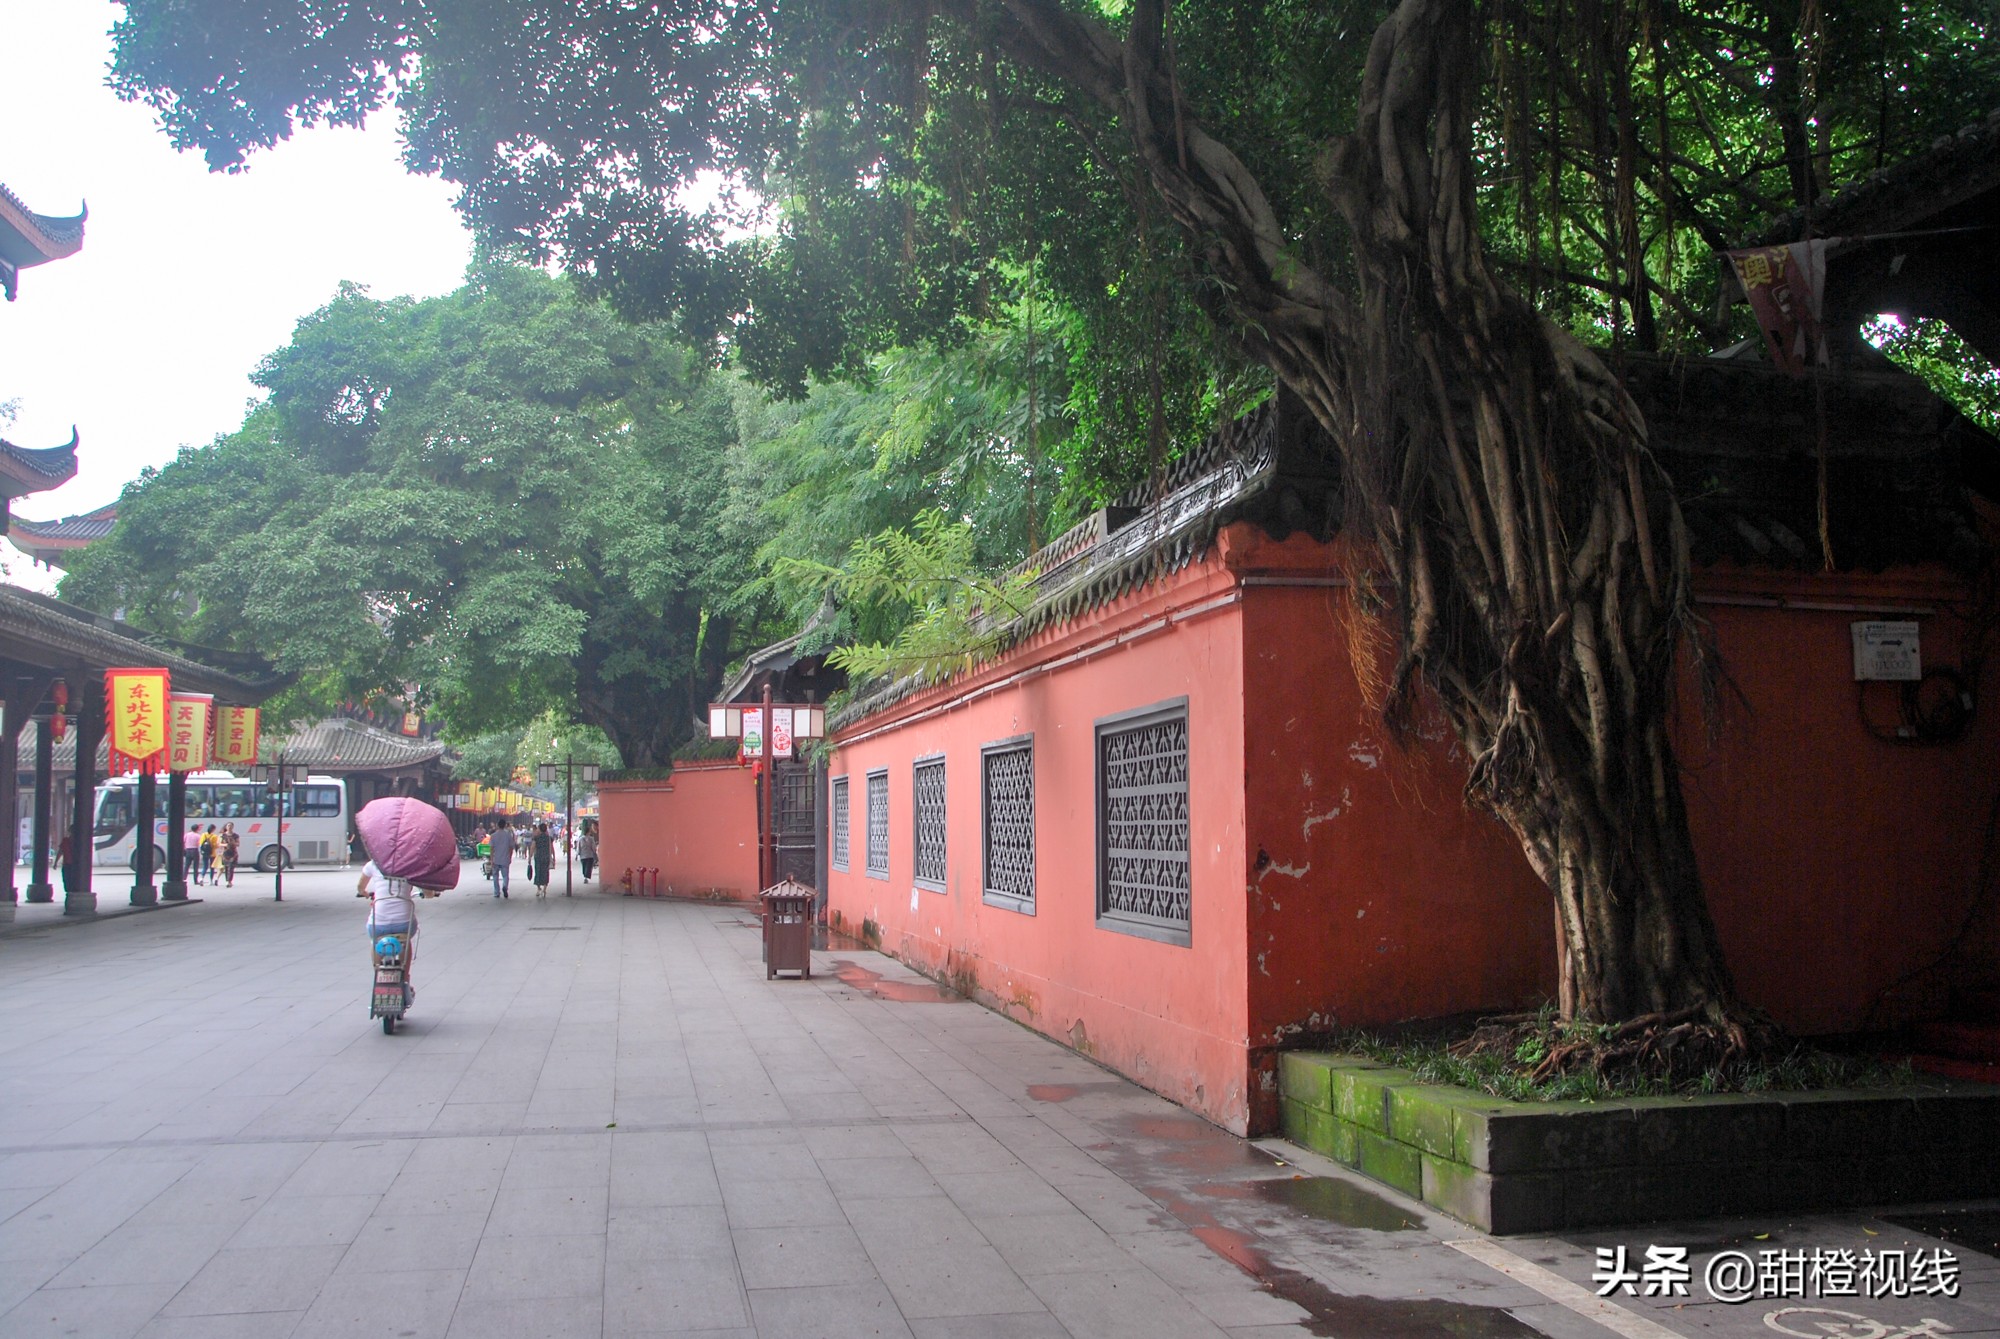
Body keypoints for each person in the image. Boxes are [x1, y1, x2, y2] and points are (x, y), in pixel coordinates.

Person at [487, 821, 514, 898]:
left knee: (495, 876)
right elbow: (511, 847)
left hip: (496, 859)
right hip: (505, 858)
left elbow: (491, 849)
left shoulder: (493, 835)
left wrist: (491, 859)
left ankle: (496, 892)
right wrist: (510, 856)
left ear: (497, 825)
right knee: (505, 875)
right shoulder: (508, 835)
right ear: (505, 825)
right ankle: (505, 886)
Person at [530, 820, 554, 898]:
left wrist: (530, 857)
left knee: (538, 872)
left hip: (538, 857)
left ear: (540, 829)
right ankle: (544, 889)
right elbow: (551, 848)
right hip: (546, 857)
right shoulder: (548, 838)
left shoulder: (536, 838)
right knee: (545, 872)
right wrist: (552, 857)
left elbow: (532, 847)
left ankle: (538, 888)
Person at [220, 824, 240, 888]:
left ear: (232, 827)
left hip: (233, 853)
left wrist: (233, 843)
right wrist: (226, 845)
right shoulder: (223, 835)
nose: (229, 827)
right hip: (226, 853)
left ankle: (229, 881)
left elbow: (238, 844)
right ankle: (227, 880)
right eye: (228, 826)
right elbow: (219, 844)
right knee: (226, 867)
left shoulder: (235, 835)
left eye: (231, 826)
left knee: (231, 867)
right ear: (226, 827)